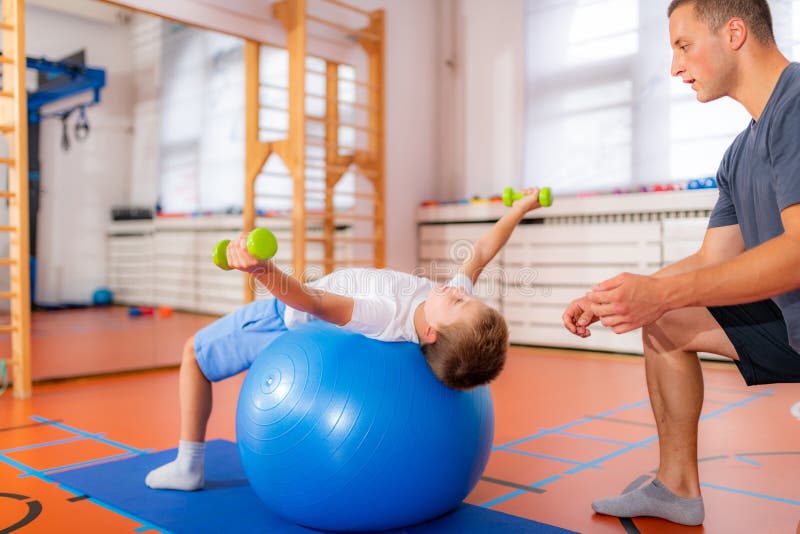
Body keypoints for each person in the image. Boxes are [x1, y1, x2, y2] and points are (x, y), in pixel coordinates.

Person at [562, 0, 800, 526]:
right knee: (664, 320)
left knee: (667, 304)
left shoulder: (798, 103)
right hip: (792, 325)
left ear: (734, 32)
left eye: (684, 45)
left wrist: (663, 293)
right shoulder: (740, 151)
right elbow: (712, 259)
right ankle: (676, 489)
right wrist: (618, 295)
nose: (674, 66)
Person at [145, 188, 546, 491]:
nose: (458, 290)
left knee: (193, 355)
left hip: (281, 321)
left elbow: (314, 300)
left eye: (459, 301)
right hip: (301, 313)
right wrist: (519, 209)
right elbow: (479, 254)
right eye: (466, 296)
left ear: (430, 334)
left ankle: (189, 466)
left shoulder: (385, 314)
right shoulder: (436, 309)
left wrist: (261, 270)